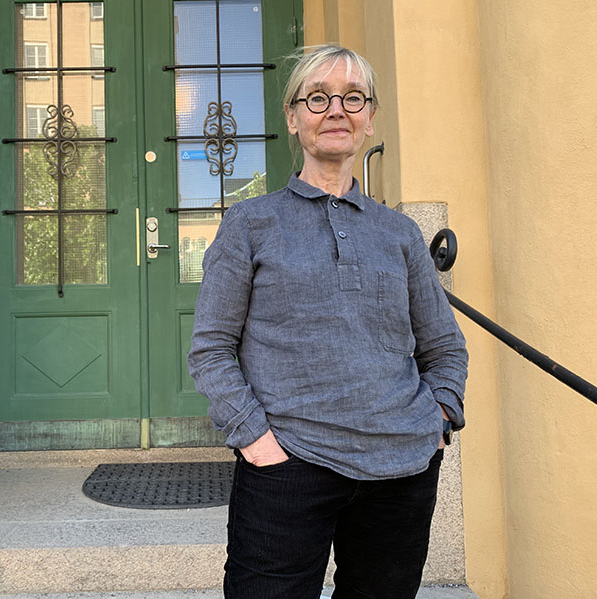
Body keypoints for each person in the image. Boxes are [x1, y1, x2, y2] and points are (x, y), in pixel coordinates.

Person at [187, 44, 469, 599]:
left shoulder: (400, 234)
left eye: (352, 98)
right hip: (288, 464)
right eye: (317, 98)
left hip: (401, 467)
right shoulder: (249, 223)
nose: (335, 110)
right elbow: (212, 349)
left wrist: (438, 421)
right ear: (293, 118)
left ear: (368, 119)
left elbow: (444, 346)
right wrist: (256, 440)